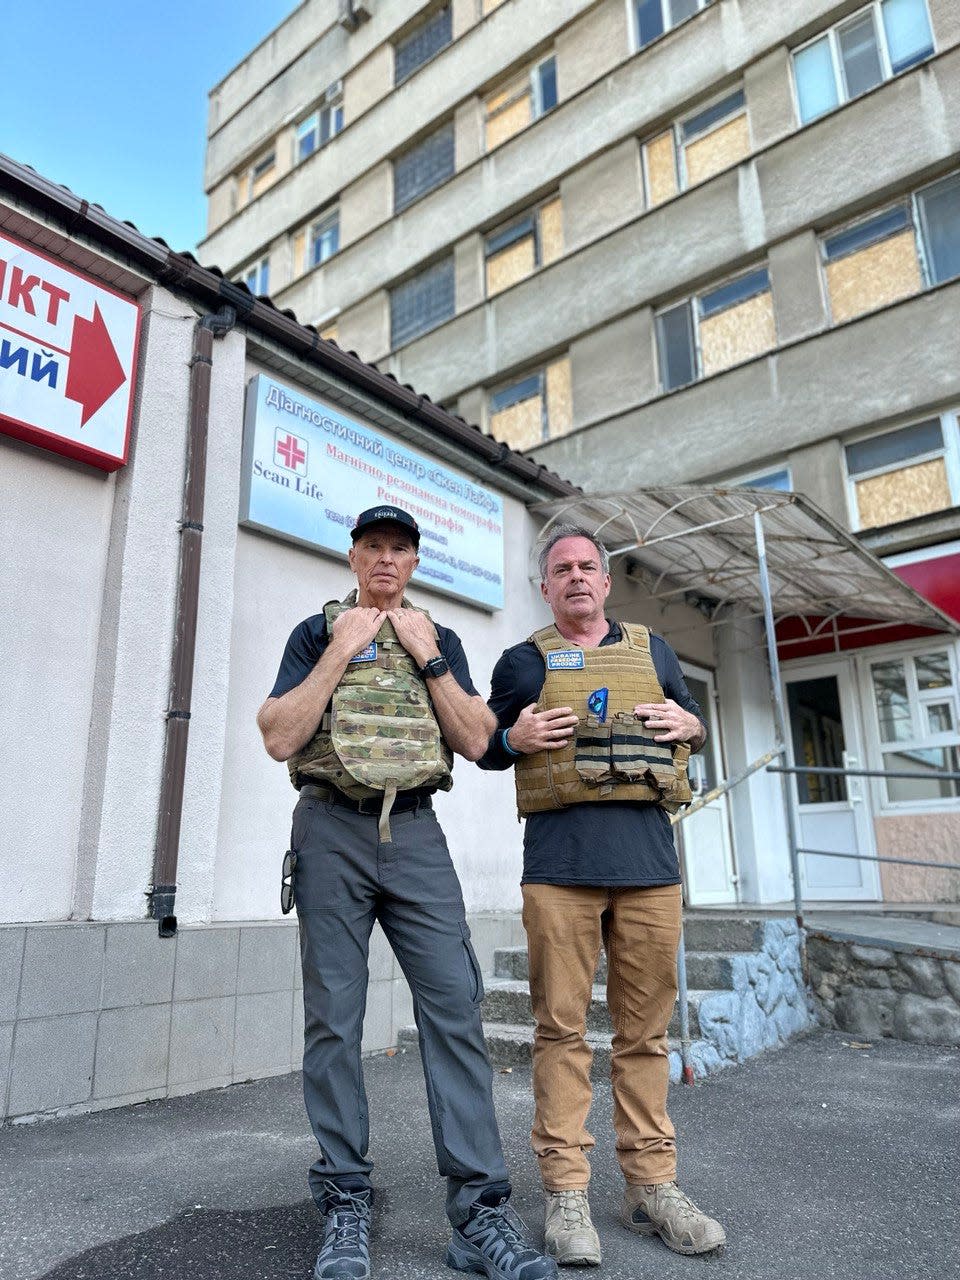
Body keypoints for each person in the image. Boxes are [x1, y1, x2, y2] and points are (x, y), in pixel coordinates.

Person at [256, 504, 557, 1280]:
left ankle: (479, 1215)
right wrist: (341, 651)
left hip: (417, 833)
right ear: (353, 557)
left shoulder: (440, 637)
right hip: (331, 830)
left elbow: (478, 739)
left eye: (400, 550)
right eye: (373, 548)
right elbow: (281, 735)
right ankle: (344, 1203)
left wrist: (428, 659)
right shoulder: (314, 632)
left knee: (455, 1008)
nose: (386, 560)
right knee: (334, 1019)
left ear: (415, 563)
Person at [478, 523, 726, 1266]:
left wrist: (697, 724)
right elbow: (485, 744)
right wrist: (510, 739)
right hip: (558, 870)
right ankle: (566, 1192)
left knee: (644, 1036)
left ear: (606, 582)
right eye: (562, 569)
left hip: (650, 869)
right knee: (560, 1034)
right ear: (545, 586)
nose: (577, 578)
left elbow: (689, 728)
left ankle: (652, 1187)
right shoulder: (521, 662)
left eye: (589, 567)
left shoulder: (653, 651)